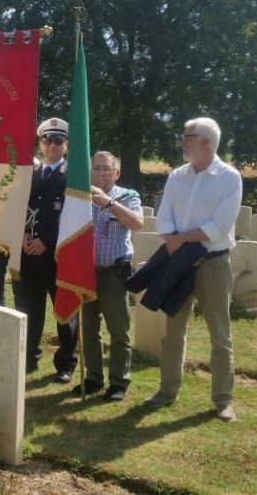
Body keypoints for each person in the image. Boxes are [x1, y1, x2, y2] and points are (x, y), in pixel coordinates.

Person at [144, 117, 242, 422]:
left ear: (206, 143)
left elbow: (219, 226)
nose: (182, 142)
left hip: (213, 265)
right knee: (173, 332)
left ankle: (223, 400)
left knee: (220, 335)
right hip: (178, 264)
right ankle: (166, 390)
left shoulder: (229, 177)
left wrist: (181, 240)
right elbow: (165, 217)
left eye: (188, 137)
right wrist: (173, 241)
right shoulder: (177, 176)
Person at [76, 151, 143, 401]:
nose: (102, 173)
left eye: (107, 168)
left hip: (114, 273)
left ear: (117, 172)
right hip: (87, 272)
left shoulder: (129, 196)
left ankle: (118, 382)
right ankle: (94, 377)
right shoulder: (80, 197)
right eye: (97, 168)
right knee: (89, 329)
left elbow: (137, 223)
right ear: (90, 171)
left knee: (119, 330)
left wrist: (108, 203)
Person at [16, 118, 78, 379]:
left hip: (57, 255)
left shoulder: (74, 176)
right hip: (28, 253)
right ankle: (29, 357)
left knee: (64, 311)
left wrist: (46, 242)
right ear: (40, 143)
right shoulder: (29, 172)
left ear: (66, 144)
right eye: (47, 140)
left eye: (58, 140)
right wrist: (20, 236)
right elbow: (16, 208)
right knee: (29, 309)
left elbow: (73, 215)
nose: (52, 145)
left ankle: (65, 364)